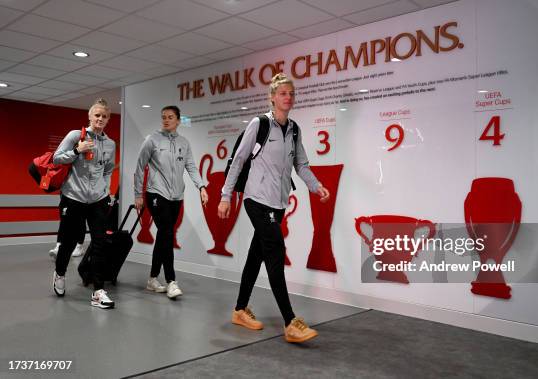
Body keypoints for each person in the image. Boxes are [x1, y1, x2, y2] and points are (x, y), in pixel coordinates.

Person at [219, 73, 330, 343]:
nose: (288, 98)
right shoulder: (259, 124)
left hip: (278, 203)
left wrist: (316, 186)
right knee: (275, 252)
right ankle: (290, 322)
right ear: (272, 97)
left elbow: (301, 164)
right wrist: (225, 195)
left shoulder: (294, 129)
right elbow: (239, 160)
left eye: (291, 94)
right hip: (256, 200)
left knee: (256, 255)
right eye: (283, 93)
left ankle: (239, 310)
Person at [134, 105, 208, 299]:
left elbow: (191, 166)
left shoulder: (184, 142)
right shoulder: (152, 140)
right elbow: (140, 167)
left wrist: (201, 187)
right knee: (167, 233)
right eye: (163, 117)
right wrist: (138, 195)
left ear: (178, 120)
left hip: (176, 196)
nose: (166, 120)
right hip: (156, 194)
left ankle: (152, 278)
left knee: (164, 235)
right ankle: (171, 281)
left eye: (170, 117)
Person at [51, 98, 116, 309]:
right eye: (97, 115)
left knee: (99, 243)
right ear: (90, 116)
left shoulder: (110, 144)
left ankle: (98, 291)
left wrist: (105, 190)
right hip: (74, 197)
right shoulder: (74, 135)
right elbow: (56, 158)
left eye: (104, 116)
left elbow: (108, 170)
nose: (100, 119)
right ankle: (60, 273)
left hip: (98, 200)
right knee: (69, 242)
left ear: (108, 119)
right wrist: (77, 151)